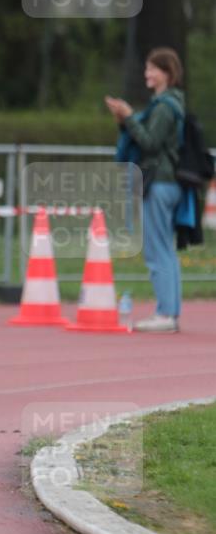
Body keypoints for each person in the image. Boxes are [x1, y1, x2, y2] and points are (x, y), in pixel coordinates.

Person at [105, 47, 185, 332]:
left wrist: (129, 118)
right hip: (168, 182)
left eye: (153, 69)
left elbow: (150, 143)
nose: (147, 74)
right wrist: (128, 119)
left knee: (156, 250)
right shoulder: (169, 104)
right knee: (166, 249)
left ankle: (165, 314)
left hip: (160, 182)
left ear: (167, 73)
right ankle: (170, 313)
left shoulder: (164, 107)